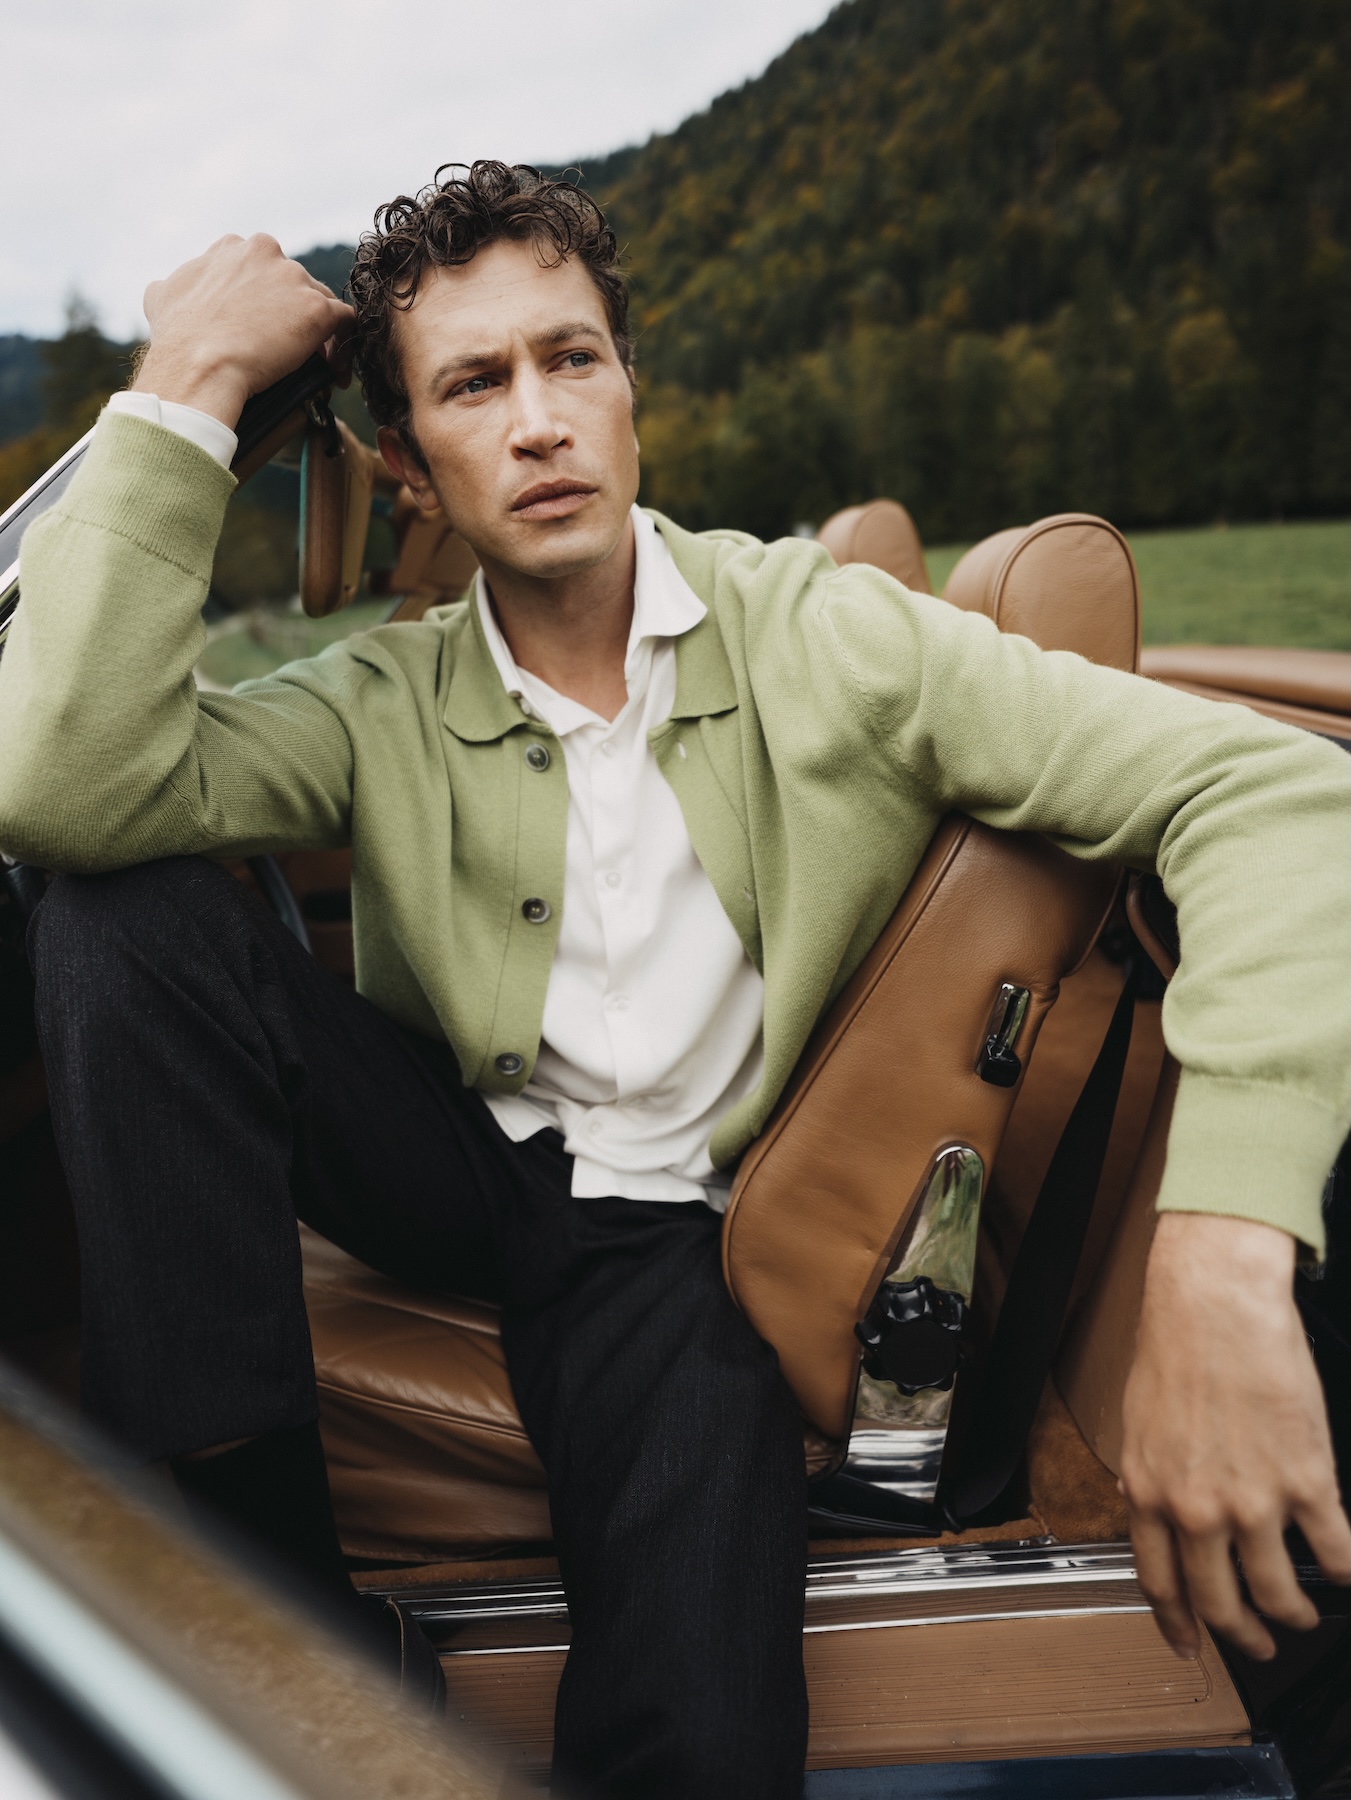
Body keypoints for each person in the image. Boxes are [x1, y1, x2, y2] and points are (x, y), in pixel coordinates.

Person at [0, 161, 1347, 1798]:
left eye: (573, 359)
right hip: (459, 1152)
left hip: (682, 1239)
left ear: (632, 387)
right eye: (476, 384)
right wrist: (187, 390)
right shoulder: (376, 696)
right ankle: (261, 1599)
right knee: (114, 916)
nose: (541, 419)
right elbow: (64, 785)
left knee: (701, 1718)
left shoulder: (832, 636)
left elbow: (1281, 796)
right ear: (415, 464)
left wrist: (1227, 1246)